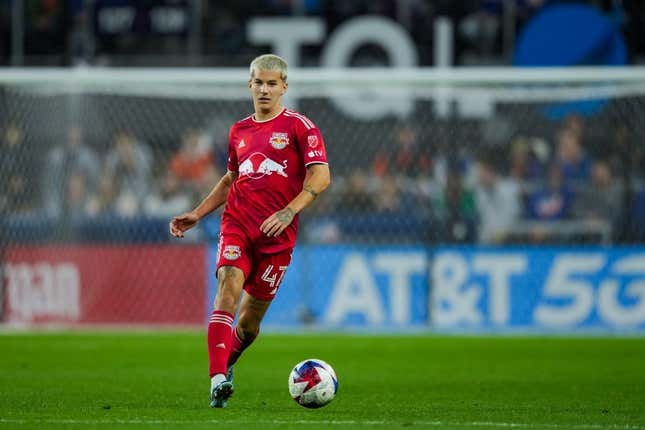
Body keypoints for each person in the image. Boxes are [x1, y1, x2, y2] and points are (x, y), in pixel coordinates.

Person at [169, 54, 331, 408]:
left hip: (277, 238)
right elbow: (231, 178)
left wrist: (290, 210)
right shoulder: (238, 131)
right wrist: (198, 213)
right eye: (258, 82)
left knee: (249, 324)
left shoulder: (300, 127)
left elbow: (321, 176)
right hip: (237, 225)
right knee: (228, 284)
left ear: (284, 87)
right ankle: (215, 380)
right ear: (250, 85)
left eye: (272, 83)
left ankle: (226, 365)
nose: (264, 89)